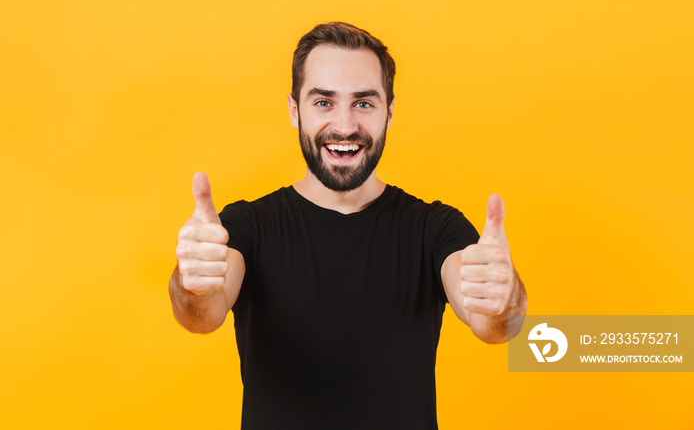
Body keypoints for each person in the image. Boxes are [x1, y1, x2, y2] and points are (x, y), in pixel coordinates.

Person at [169, 21, 528, 429]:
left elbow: (493, 325)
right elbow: (203, 314)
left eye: (364, 103)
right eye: (323, 102)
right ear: (294, 110)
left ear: (389, 112)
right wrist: (191, 282)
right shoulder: (247, 226)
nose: (344, 126)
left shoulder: (435, 228)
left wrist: (506, 297)